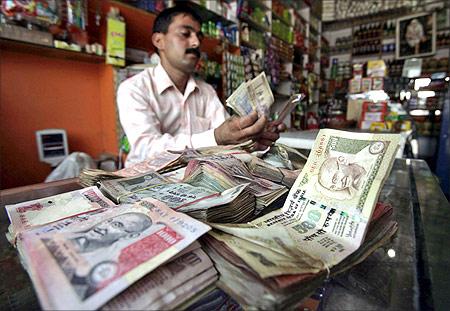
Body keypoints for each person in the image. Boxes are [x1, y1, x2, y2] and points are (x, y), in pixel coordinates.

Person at [117, 5, 285, 167]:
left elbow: (228, 140)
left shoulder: (206, 91)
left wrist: (252, 138)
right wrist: (216, 137)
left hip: (197, 181)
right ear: (159, 40)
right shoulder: (133, 89)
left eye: (199, 36)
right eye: (185, 34)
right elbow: (147, 149)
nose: (196, 42)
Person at [70, 212, 153, 253]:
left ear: (130, 236)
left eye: (116, 225)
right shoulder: (70, 232)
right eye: (109, 220)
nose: (103, 226)